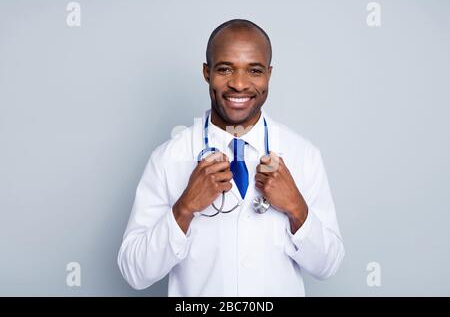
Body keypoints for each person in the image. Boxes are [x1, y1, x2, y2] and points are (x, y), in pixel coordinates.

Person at [117, 19, 344, 296]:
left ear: (269, 75)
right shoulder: (168, 157)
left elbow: (328, 265)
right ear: (206, 72)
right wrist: (185, 208)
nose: (239, 84)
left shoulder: (303, 155)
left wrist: (297, 208)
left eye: (254, 70)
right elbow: (134, 272)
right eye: (225, 69)